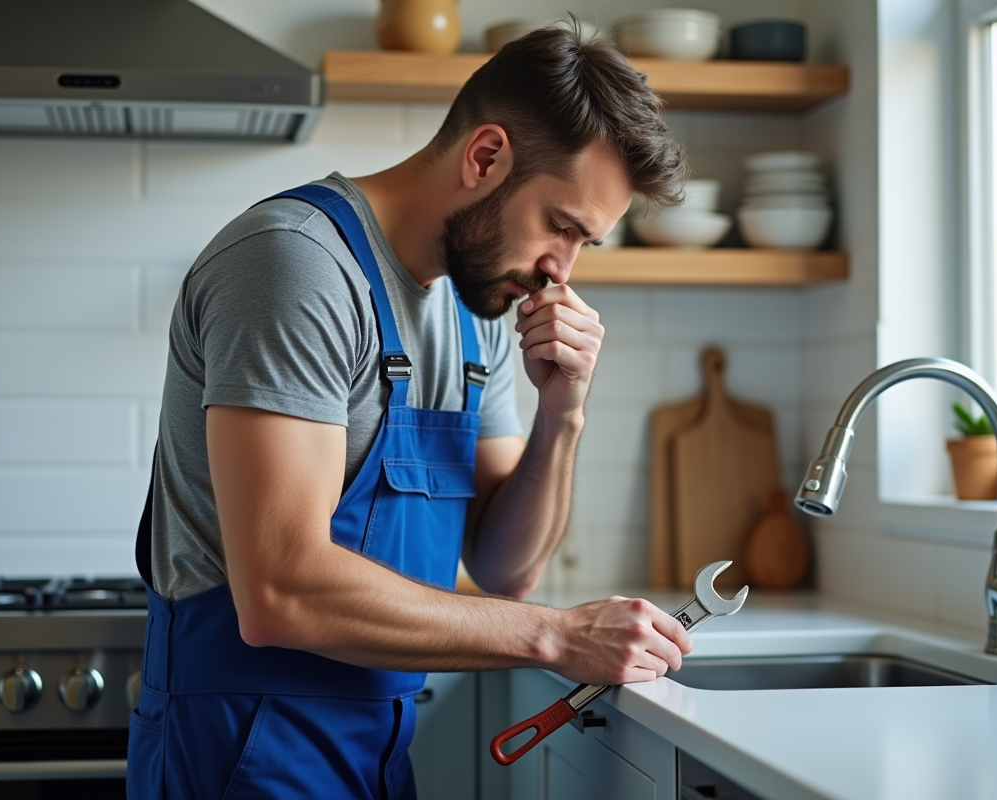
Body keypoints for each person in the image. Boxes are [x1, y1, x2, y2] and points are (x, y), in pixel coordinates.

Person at [127, 24, 689, 800]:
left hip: (375, 748)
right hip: (240, 745)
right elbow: (281, 590)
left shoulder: (477, 311)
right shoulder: (296, 266)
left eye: (585, 241)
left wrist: (563, 414)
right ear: (484, 157)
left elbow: (506, 567)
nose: (564, 270)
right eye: (561, 226)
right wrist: (558, 637)